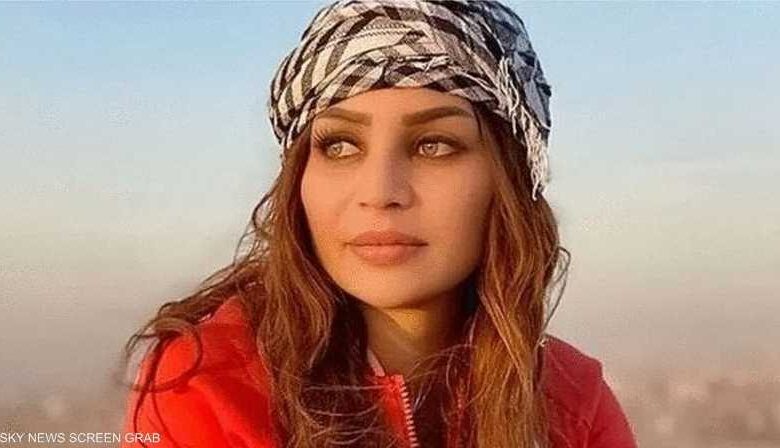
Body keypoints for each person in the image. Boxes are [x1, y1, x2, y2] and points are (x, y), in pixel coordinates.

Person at [119, 1, 638, 447]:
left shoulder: (572, 405)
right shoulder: (209, 386)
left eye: (433, 145)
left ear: (508, 181)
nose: (379, 192)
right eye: (340, 146)